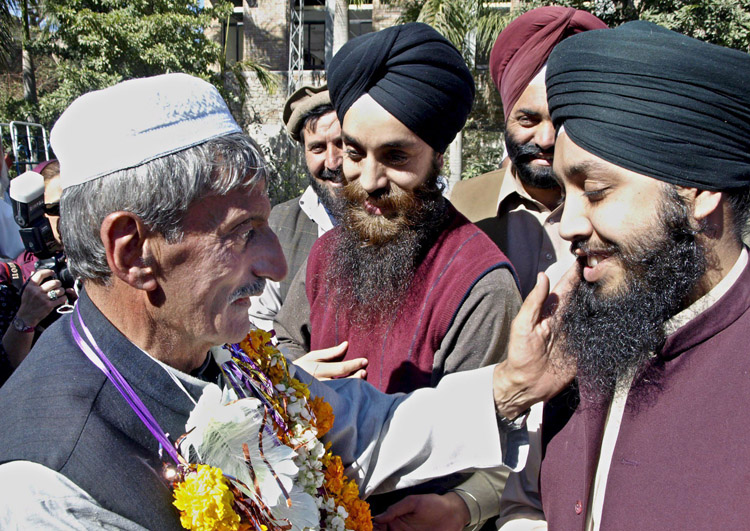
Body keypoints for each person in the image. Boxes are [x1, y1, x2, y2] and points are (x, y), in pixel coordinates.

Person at [0, 73, 566, 530]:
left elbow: (362, 428)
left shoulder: (223, 354)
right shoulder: (45, 480)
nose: (277, 264)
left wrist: (510, 385)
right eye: (244, 232)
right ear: (133, 251)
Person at [500, 21, 750, 529]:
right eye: (564, 193)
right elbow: (528, 505)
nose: (568, 224)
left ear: (699, 190)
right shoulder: (584, 326)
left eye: (594, 191)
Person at [274, 23, 522, 528]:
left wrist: (464, 507)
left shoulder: (480, 285)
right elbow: (283, 346)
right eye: (354, 152)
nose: (368, 181)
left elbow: (497, 440)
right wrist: (302, 382)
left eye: (395, 157)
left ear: (435, 156)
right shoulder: (326, 254)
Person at [449, 7, 605, 297]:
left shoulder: (612, 208)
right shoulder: (463, 203)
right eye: (528, 120)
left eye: (560, 122)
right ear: (505, 119)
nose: (546, 139)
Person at [249, 84, 366, 380]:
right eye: (317, 148)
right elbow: (256, 326)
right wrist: (292, 373)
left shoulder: (392, 220)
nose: (332, 162)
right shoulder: (278, 223)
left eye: (342, 144)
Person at [0, 160, 72, 386]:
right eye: (58, 208)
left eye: (77, 203)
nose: (72, 216)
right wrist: (27, 317)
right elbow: (6, 374)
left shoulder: (116, 260)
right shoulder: (15, 279)